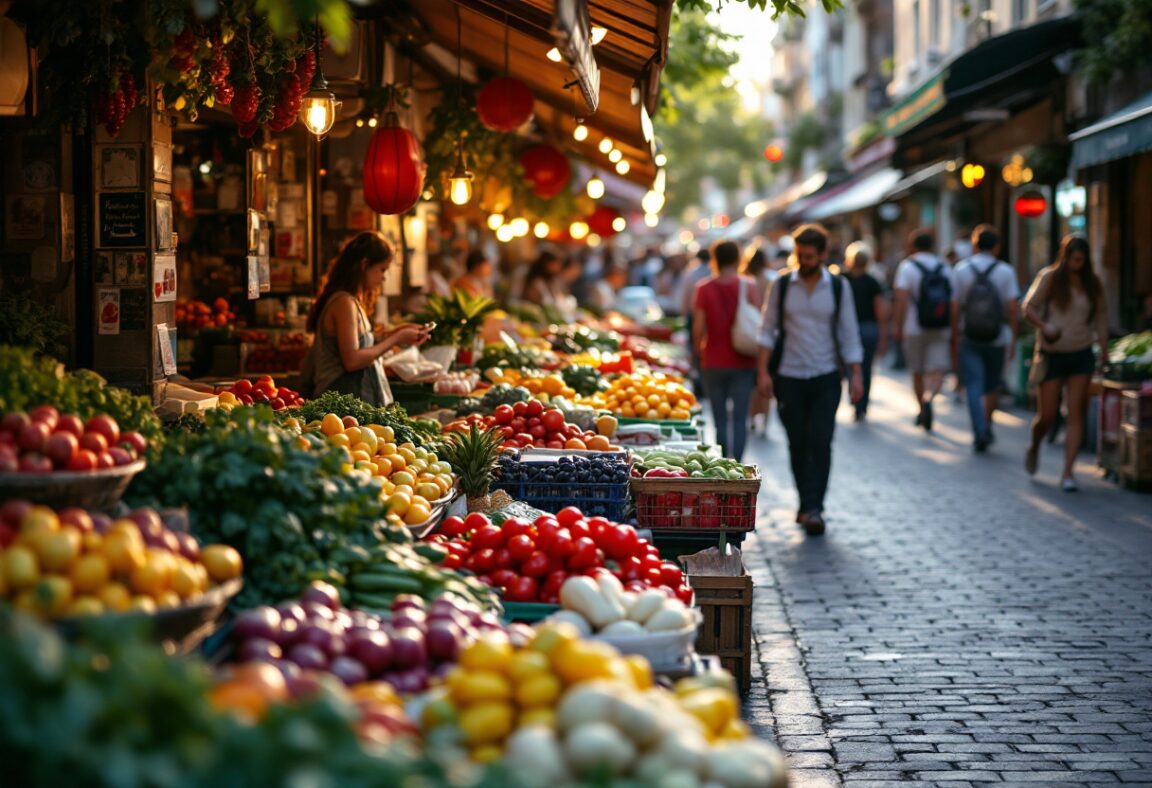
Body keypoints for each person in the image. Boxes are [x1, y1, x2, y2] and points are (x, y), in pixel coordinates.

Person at [757, 224, 864, 535]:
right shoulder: (781, 286)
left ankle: (815, 507)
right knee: (797, 443)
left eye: (809, 256)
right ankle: (805, 502)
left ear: (822, 255)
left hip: (826, 375)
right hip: (789, 375)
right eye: (799, 255)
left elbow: (849, 332)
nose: (803, 261)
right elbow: (767, 330)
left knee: (821, 441)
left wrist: (856, 374)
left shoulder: (838, 287)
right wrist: (763, 372)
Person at [1021, 235, 1108, 491]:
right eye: (1072, 258)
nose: (1076, 263)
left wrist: (1103, 348)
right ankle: (1035, 444)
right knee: (1046, 415)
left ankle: (1068, 473)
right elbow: (1029, 307)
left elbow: (1102, 317)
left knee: (1075, 412)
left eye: (1080, 259)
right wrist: (1044, 325)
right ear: (1065, 256)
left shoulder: (1094, 284)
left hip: (1080, 352)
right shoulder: (1050, 277)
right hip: (1052, 353)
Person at [302, 232, 429, 406]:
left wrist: (397, 332)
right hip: (340, 405)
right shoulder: (343, 303)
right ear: (364, 265)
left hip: (352, 403)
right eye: (382, 270)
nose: (383, 278)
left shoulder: (352, 301)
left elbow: (363, 345)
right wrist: (395, 339)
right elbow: (352, 360)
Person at [950, 224, 1020, 452]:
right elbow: (1012, 309)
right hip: (996, 337)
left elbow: (955, 307)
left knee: (973, 385)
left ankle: (979, 428)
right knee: (992, 385)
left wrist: (954, 334)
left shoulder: (961, 270)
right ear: (997, 247)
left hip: (969, 336)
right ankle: (987, 425)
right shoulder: (1006, 271)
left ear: (974, 245)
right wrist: (1014, 338)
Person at [693, 240, 762, 461]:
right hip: (743, 361)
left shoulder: (703, 288)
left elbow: (698, 328)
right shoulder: (748, 285)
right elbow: (759, 320)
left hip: (713, 360)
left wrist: (698, 354)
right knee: (740, 418)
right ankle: (738, 464)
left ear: (715, 260)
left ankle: (724, 462)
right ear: (737, 259)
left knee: (720, 419)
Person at [892, 229, 953, 430]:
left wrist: (897, 325)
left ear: (912, 246)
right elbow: (953, 301)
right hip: (940, 326)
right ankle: (930, 397)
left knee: (917, 370)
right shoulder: (943, 267)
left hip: (913, 326)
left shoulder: (907, 267)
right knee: (937, 369)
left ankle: (921, 406)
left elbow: (901, 299)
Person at [844, 241, 888, 421]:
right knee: (866, 368)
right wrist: (883, 334)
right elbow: (880, 310)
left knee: (851, 368)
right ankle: (862, 403)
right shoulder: (872, 282)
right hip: (868, 328)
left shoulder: (843, 279)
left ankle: (855, 400)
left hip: (848, 329)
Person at [742, 244, 777, 435]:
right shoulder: (771, 278)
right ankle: (765, 417)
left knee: (751, 380)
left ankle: (751, 416)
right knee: (766, 377)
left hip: (747, 334)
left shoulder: (746, 280)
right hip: (768, 335)